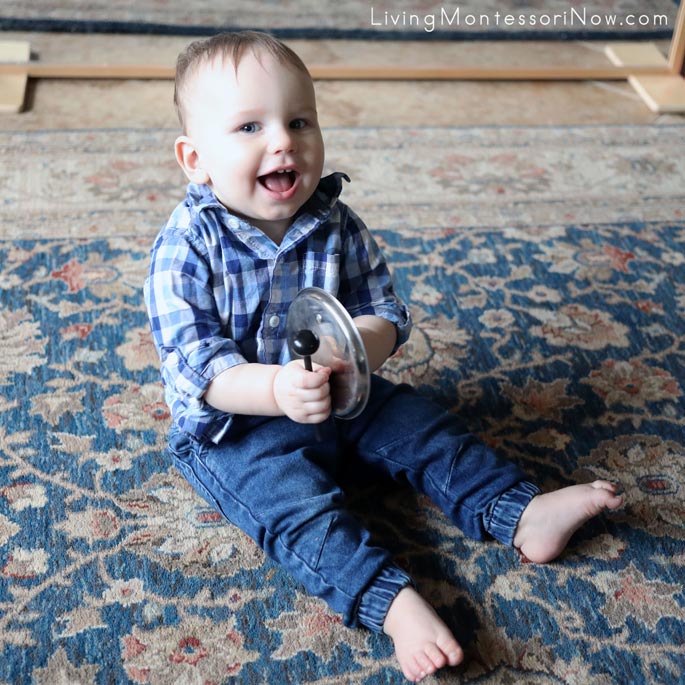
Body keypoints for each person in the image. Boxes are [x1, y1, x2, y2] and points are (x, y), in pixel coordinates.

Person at [144, 31, 624, 683]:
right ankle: (395, 606)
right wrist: (278, 391)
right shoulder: (185, 249)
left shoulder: (335, 221)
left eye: (299, 120)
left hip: (345, 395)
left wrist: (352, 350)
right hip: (237, 427)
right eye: (249, 126)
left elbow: (384, 313)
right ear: (194, 158)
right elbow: (199, 366)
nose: (282, 140)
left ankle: (521, 512)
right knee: (294, 512)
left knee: (425, 426)